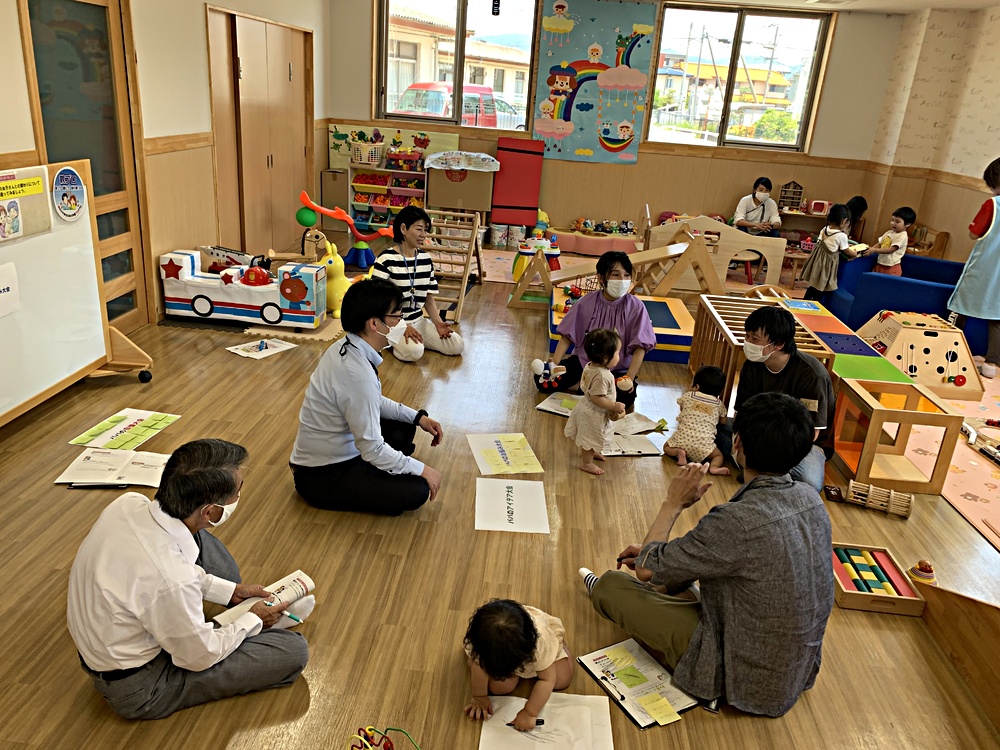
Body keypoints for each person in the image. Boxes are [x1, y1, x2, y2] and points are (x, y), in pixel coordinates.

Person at [579, 392, 834, 717]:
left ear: (737, 443)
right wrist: (660, 559)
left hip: (739, 676)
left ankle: (706, 682)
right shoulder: (810, 498)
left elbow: (644, 570)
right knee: (673, 577)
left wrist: (673, 503)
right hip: (793, 672)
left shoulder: (736, 521)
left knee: (611, 585)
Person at [67, 439, 311, 720]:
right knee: (293, 651)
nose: (239, 496)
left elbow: (164, 569)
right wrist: (253, 620)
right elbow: (199, 657)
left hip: (108, 650)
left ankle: (218, 622)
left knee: (199, 543)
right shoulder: (173, 580)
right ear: (211, 512)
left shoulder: (127, 504)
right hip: (141, 687)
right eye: (238, 491)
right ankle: (237, 624)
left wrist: (229, 591)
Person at [289, 278, 445, 514]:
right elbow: (371, 448)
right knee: (418, 490)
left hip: (338, 449)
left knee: (405, 425)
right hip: (322, 475)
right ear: (374, 323)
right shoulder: (356, 373)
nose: (401, 323)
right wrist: (424, 470)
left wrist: (418, 417)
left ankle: (385, 468)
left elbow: (371, 401)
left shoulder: (346, 345)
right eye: (396, 316)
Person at [717, 306, 835, 492]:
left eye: (755, 339)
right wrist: (742, 439)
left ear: (778, 344)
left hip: (799, 443)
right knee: (714, 426)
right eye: (747, 336)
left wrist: (759, 453)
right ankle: (767, 474)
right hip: (761, 432)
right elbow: (742, 414)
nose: (747, 342)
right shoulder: (752, 365)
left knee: (809, 482)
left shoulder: (811, 374)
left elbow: (811, 433)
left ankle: (760, 472)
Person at [536, 251, 655, 410]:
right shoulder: (586, 302)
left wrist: (629, 378)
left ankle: (584, 388)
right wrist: (554, 363)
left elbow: (641, 347)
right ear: (601, 278)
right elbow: (567, 335)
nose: (622, 280)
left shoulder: (636, 306)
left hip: (617, 370)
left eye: (627, 275)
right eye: (615, 275)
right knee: (542, 381)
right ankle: (590, 389)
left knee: (625, 398)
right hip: (585, 364)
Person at [463, 599, 574, 732]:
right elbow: (478, 666)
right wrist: (479, 697)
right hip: (507, 647)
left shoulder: (540, 645)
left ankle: (562, 648)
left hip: (540, 643)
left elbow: (548, 679)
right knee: (498, 688)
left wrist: (530, 712)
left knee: (562, 679)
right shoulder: (483, 644)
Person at [370, 205, 463, 362]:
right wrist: (402, 326)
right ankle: (390, 341)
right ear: (403, 229)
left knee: (457, 345)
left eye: (425, 230)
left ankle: (414, 340)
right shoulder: (385, 259)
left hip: (419, 320)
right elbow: (376, 301)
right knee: (415, 352)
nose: (423, 235)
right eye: (419, 229)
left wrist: (438, 323)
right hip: (393, 324)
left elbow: (428, 299)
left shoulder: (426, 259)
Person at [949, 157, 1000, 379]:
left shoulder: (993, 204)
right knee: (997, 317)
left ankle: (950, 351)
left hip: (985, 268)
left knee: (959, 307)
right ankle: (991, 364)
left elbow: (973, 233)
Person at [564, 328, 626, 476]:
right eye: (617, 353)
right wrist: (614, 405)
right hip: (593, 413)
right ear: (605, 358)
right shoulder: (603, 376)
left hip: (587, 408)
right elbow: (596, 398)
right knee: (589, 439)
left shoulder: (590, 365)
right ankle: (587, 463)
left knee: (593, 437)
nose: (619, 356)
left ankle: (594, 451)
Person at [662, 365, 729, 476]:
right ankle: (714, 467)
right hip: (704, 445)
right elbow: (723, 422)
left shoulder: (688, 396)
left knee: (666, 447)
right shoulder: (719, 404)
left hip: (682, 440)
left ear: (696, 386)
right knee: (718, 456)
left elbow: (682, 409)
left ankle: (679, 452)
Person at [800, 204, 858, 302]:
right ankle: (816, 304)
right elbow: (846, 251)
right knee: (821, 287)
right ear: (844, 221)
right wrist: (854, 253)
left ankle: (805, 301)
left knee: (814, 285)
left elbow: (828, 243)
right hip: (827, 265)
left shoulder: (825, 229)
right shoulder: (841, 235)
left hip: (817, 261)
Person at [869, 206, 915, 276]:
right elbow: (879, 244)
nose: (893, 223)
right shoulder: (889, 232)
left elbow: (891, 250)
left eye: (897, 221)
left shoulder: (902, 236)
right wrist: (870, 250)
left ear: (907, 224)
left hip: (891, 267)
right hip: (880, 263)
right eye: (892, 220)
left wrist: (874, 250)